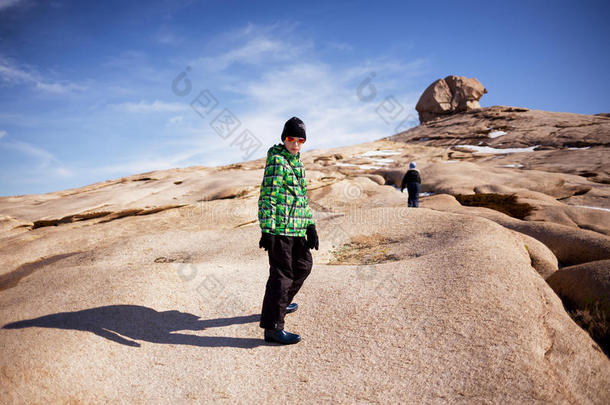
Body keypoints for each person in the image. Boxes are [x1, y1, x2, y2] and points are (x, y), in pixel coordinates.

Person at [257, 117, 319, 345]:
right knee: (282, 277)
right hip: (281, 229)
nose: (295, 143)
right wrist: (268, 230)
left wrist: (310, 225)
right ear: (284, 139)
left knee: (304, 266)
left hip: (297, 230)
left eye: (300, 139)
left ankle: (279, 304)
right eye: (291, 138)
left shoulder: (298, 164)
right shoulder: (277, 161)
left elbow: (302, 198)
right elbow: (267, 196)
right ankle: (273, 328)